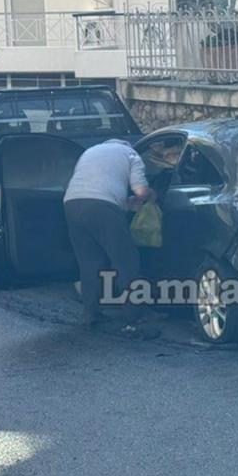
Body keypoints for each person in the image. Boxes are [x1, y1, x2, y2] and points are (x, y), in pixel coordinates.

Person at [63, 138, 156, 337]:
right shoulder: (131, 155)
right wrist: (149, 195)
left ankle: (91, 314)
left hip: (71, 203)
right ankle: (134, 317)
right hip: (103, 206)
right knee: (126, 262)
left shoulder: (90, 151)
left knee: (89, 263)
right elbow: (140, 190)